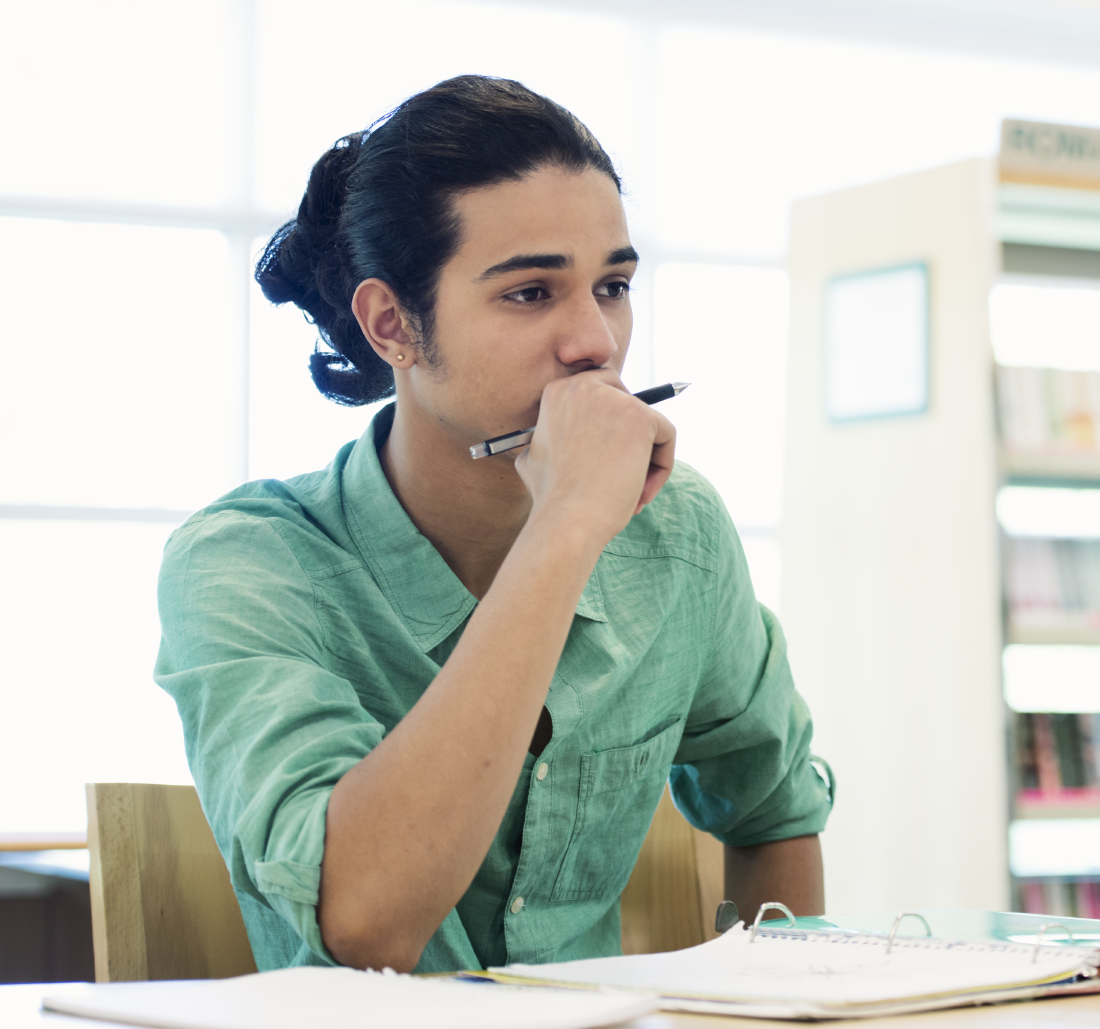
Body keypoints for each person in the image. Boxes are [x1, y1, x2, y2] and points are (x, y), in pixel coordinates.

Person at [155, 75, 830, 974]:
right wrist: (565, 527)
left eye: (614, 285)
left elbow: (775, 812)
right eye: (529, 294)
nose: (596, 341)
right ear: (392, 323)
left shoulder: (680, 532)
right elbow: (365, 921)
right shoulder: (247, 562)